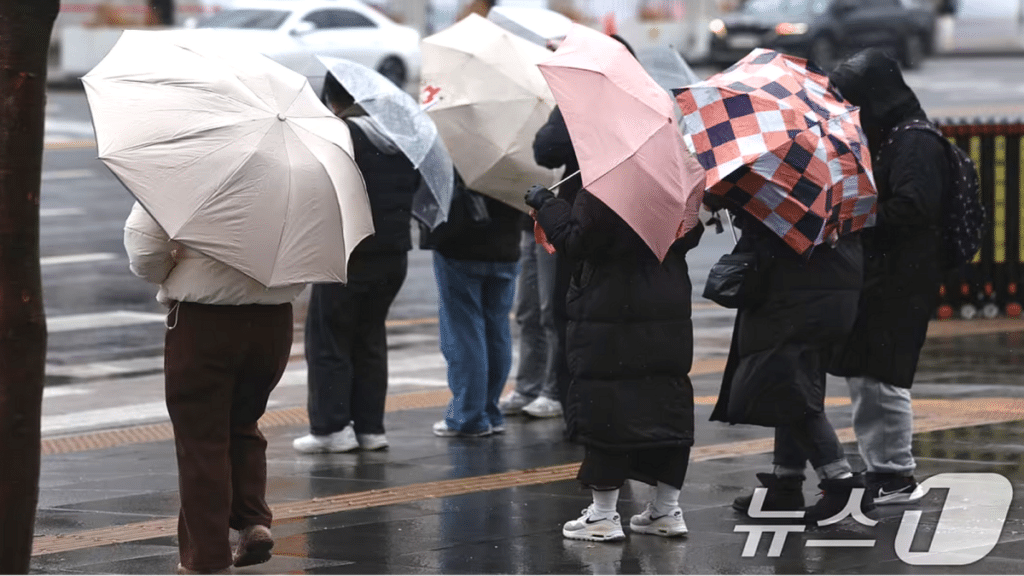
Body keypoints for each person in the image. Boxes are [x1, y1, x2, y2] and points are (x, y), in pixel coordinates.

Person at [125, 206, 303, 573]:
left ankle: (205, 558)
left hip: (205, 318)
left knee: (201, 441)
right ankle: (253, 519)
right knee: (243, 420)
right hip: (273, 320)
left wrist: (174, 270)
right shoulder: (297, 174)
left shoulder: (186, 168)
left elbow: (144, 249)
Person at [527, 184, 703, 541]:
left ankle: (604, 516)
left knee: (607, 404)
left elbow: (577, 241)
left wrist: (548, 204)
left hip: (612, 306)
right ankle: (666, 510)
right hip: (665, 298)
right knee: (665, 397)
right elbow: (688, 234)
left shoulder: (608, 184)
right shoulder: (675, 182)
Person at [827, 48, 947, 504]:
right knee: (865, 373)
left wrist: (859, 214)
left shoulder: (915, 141)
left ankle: (895, 473)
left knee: (885, 376)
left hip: (902, 278)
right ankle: (881, 466)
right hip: (882, 274)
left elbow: (915, 207)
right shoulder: (891, 135)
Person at [292, 76, 422, 454]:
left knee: (328, 337)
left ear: (334, 100)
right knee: (369, 338)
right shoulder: (398, 136)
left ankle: (331, 429)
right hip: (393, 255)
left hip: (349, 253)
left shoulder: (341, 135)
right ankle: (370, 428)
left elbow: (318, 186)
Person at [715, 211, 867, 523]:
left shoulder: (784, 191)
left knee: (788, 386)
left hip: (794, 296)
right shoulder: (836, 182)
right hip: (830, 288)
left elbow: (774, 237)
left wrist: (742, 213)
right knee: (792, 382)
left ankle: (840, 484)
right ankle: (786, 480)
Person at [532, 33, 637, 422]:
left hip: (586, 215)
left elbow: (545, 149)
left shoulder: (583, 102)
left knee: (571, 316)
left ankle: (577, 408)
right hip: (634, 222)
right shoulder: (645, 104)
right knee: (622, 319)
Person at [425, 176, 522, 437]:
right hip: (507, 243)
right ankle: (490, 410)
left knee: (464, 332)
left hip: (461, 243)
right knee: (497, 330)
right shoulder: (508, 145)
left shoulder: (457, 144)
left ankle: (468, 415)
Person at [498, 213, 563, 418]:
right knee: (528, 311)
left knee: (550, 311)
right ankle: (528, 388)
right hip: (531, 224)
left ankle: (554, 391)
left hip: (555, 224)